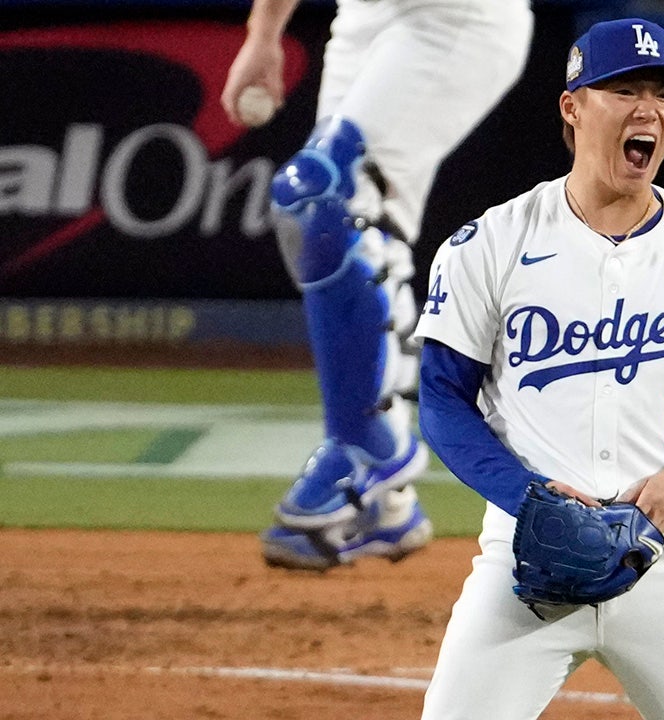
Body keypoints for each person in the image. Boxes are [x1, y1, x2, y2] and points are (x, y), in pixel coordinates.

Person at [412, 17, 664, 719]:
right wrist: (527, 498)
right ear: (573, 106)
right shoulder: (488, 243)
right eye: (625, 90)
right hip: (524, 564)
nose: (648, 109)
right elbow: (442, 400)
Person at [219, 0, 534, 570]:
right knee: (368, 229)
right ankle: (388, 508)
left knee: (319, 194)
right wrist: (264, 33)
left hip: (459, 18)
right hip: (363, 20)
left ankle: (369, 451)